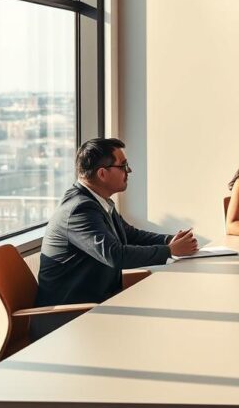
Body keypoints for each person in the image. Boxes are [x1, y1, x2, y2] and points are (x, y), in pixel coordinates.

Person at [32, 138, 199, 340]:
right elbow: (115, 255)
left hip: (96, 304)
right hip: (69, 318)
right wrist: (170, 251)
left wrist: (170, 240)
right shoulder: (79, 209)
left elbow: (129, 235)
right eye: (123, 166)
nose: (129, 171)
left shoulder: (97, 201)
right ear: (102, 173)